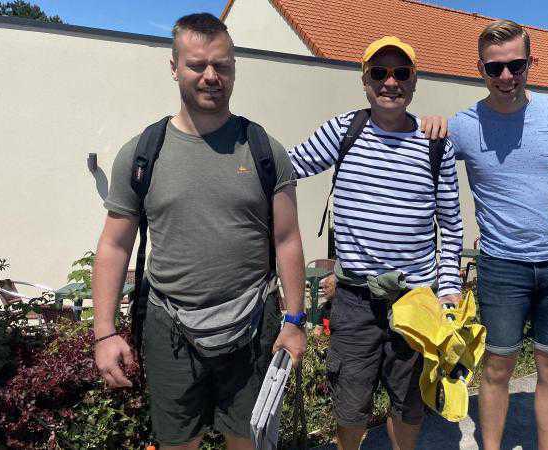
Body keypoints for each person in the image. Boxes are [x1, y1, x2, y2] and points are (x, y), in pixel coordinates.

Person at [91, 13, 306, 450]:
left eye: (222, 65)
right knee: (176, 444)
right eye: (197, 65)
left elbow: (288, 240)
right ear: (174, 67)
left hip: (252, 324)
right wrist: (104, 331)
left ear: (234, 68)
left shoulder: (264, 150)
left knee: (248, 441)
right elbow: (114, 247)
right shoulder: (142, 153)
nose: (211, 76)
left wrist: (296, 320)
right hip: (169, 327)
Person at [287, 36, 464, 450]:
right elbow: (286, 167)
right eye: (379, 73)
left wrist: (450, 288)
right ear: (364, 80)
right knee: (350, 403)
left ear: (415, 81)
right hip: (354, 299)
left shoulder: (436, 142)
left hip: (416, 299)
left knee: (409, 403)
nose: (390, 82)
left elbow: (452, 225)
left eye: (401, 73)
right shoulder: (342, 130)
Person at [446, 20, 548, 450]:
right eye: (494, 68)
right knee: (497, 369)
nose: (506, 76)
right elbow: (417, 158)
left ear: (531, 64)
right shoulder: (461, 125)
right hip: (502, 267)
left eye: (516, 65)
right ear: (480, 69)